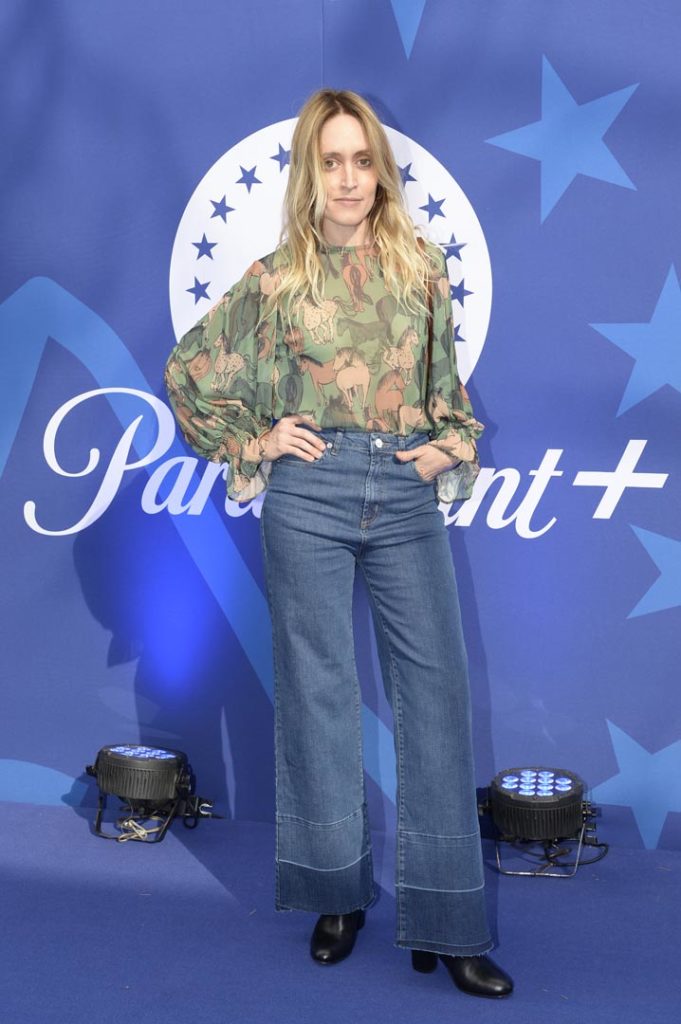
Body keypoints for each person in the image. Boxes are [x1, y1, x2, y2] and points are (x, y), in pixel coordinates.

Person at [165, 88, 513, 999]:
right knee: (317, 696)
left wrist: (445, 446)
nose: (349, 179)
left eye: (363, 161)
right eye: (332, 162)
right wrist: (255, 440)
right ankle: (336, 897)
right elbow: (188, 372)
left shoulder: (421, 268)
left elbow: (447, 397)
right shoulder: (277, 278)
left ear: (380, 172)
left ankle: (448, 921)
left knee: (435, 696)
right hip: (309, 494)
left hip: (402, 491)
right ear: (309, 174)